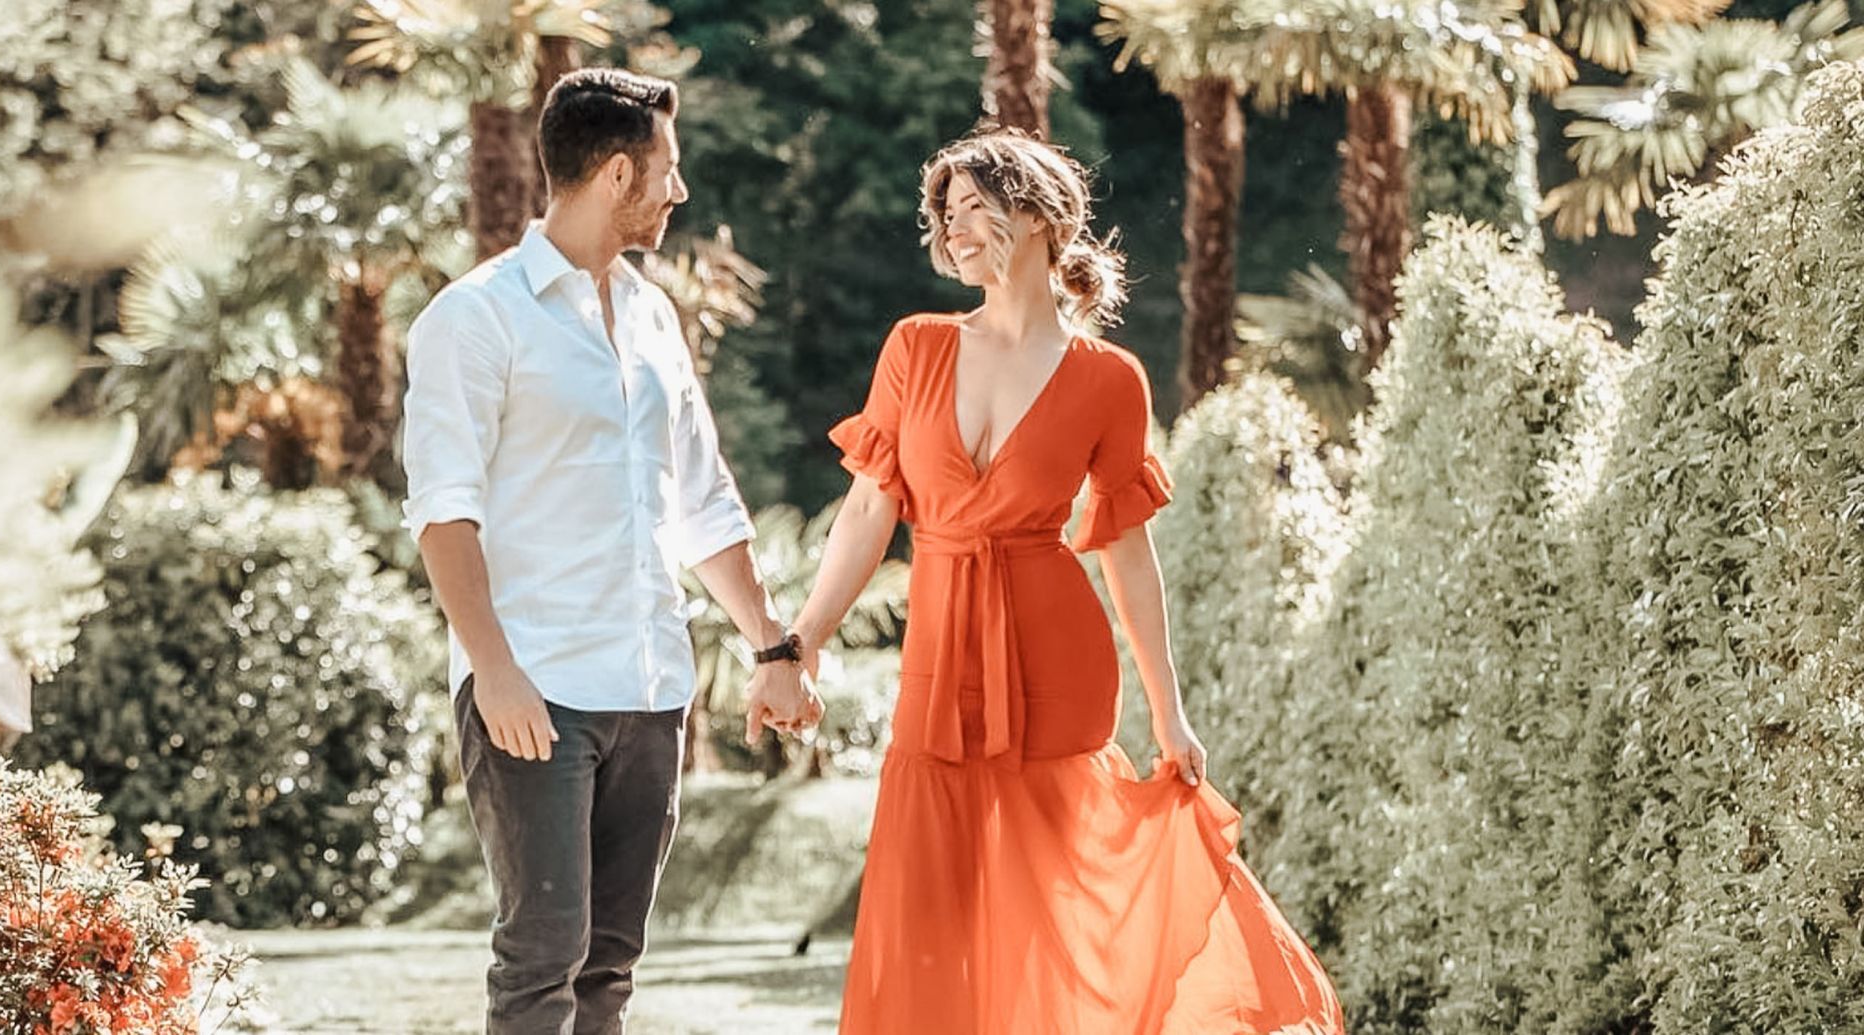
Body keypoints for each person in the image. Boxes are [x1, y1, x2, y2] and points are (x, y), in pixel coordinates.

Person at [790, 130, 1345, 1034]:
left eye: (978, 207)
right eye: (948, 211)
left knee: (1053, 907)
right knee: (929, 906)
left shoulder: (1109, 380)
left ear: (1041, 217)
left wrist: (1170, 712)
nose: (957, 229)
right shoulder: (915, 345)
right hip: (939, 654)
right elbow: (865, 512)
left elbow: (1125, 548)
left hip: (1055, 658)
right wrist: (802, 639)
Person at [399, 68, 821, 1034]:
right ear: (620, 172)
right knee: (544, 952)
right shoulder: (476, 316)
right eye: (668, 170)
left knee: (610, 966)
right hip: (535, 688)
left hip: (652, 688)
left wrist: (770, 645)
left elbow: (704, 502)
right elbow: (444, 514)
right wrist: (495, 670)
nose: (679, 192)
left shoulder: (650, 316)